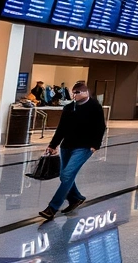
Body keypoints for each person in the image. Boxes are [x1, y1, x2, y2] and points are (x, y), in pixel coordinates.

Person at [38, 81, 106, 220]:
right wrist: (53, 145)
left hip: (84, 147)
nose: (74, 95)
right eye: (73, 93)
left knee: (68, 174)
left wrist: (95, 144)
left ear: (85, 92)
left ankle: (52, 207)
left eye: (77, 93)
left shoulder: (95, 107)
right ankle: (75, 198)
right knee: (64, 175)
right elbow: (62, 128)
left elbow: (100, 127)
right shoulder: (69, 108)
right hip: (67, 145)